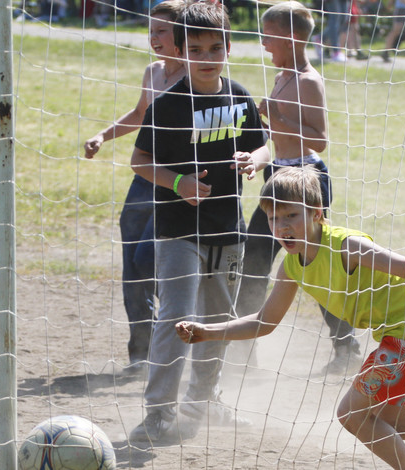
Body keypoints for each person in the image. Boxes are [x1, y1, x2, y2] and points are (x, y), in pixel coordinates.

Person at [176, 166, 405, 470]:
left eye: (291, 216)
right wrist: (208, 331)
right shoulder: (291, 267)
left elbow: (387, 258)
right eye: (274, 219)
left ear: (317, 214)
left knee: (352, 415)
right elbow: (265, 321)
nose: (282, 227)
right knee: (390, 420)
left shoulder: (343, 245)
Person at [127, 1, 271, 445]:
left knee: (218, 321)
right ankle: (157, 413)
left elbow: (265, 146)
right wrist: (179, 183)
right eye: (196, 49)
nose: (206, 58)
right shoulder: (168, 105)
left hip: (228, 232)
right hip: (178, 233)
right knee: (176, 318)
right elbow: (139, 161)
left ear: (228, 47)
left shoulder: (240, 96)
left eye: (215, 48)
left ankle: (203, 401)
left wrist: (254, 160)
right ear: (180, 50)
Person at [239, 1, 362, 374]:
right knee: (254, 262)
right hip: (277, 176)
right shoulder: (282, 75)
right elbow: (277, 138)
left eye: (269, 36)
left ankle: (347, 348)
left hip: (306, 180)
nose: (263, 43)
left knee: (314, 264)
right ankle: (244, 355)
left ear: (292, 37)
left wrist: (274, 115)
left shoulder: (308, 80)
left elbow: (319, 139)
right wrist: (257, 158)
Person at [83, 0, 185, 371]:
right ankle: (141, 355)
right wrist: (103, 135)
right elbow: (140, 113)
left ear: (181, 34)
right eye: (151, 30)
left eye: (162, 31)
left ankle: (177, 338)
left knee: (149, 262)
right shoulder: (153, 72)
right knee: (133, 266)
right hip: (144, 180)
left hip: (176, 186)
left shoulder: (195, 79)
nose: (153, 37)